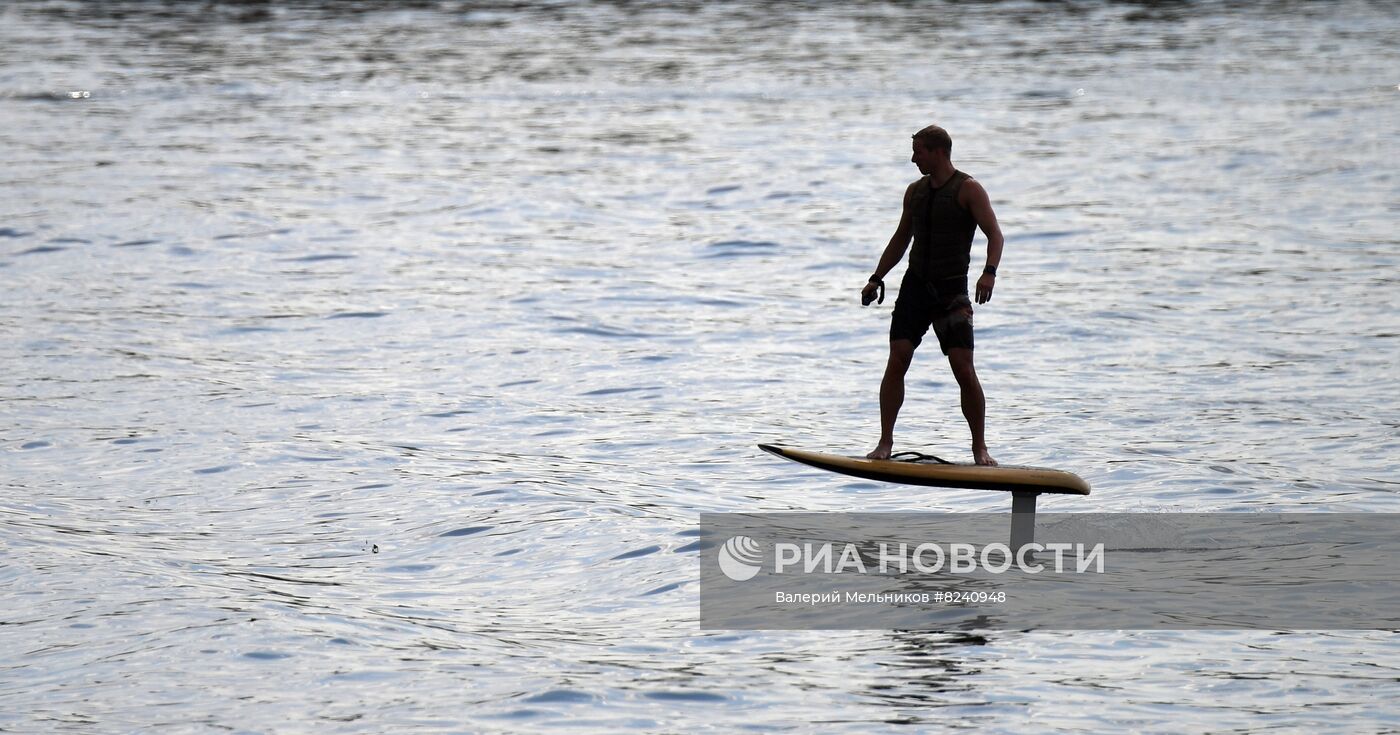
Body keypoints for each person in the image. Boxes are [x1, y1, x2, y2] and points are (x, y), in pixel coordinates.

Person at [860, 125, 1003, 466]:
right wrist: (876, 277)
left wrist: (989, 273)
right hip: (915, 288)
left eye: (918, 151)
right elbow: (900, 239)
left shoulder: (968, 190)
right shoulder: (915, 192)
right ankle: (885, 442)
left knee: (963, 369)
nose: (913, 158)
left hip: (951, 291)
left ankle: (979, 448)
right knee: (898, 358)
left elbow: (995, 236)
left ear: (938, 152)